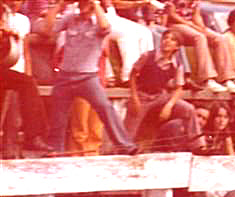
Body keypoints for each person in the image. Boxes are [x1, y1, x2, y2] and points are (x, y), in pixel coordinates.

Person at [38, 0, 137, 155]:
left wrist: (95, 4)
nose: (82, 5)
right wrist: (60, 4)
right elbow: (46, 30)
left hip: (88, 77)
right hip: (65, 75)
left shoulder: (100, 21)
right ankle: (54, 149)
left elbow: (104, 27)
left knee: (105, 108)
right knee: (58, 115)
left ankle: (125, 145)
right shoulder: (70, 18)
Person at [124, 29, 204, 152]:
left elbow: (179, 87)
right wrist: (134, 98)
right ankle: (122, 150)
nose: (167, 41)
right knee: (130, 130)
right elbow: (133, 76)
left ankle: (198, 145)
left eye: (172, 40)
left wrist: (169, 106)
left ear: (176, 46)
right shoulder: (148, 56)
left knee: (189, 110)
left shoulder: (177, 63)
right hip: (143, 95)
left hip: (160, 96)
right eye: (165, 38)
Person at [0, 0, 50, 156]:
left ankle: (33, 136)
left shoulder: (19, 19)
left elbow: (24, 50)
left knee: (27, 84)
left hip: (6, 68)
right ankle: (32, 137)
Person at [165, 0, 235, 93]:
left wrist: (202, 28)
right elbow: (171, 14)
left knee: (220, 38)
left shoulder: (194, 2)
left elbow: (196, 16)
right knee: (199, 37)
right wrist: (190, 25)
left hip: (191, 26)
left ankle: (226, 79)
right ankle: (207, 78)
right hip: (176, 25)